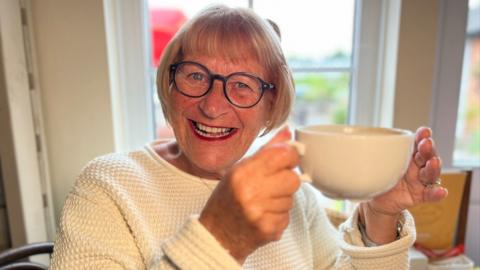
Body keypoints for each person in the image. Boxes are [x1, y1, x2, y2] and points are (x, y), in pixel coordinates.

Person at [50, 5, 447, 269]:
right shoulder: (106, 188)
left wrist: (381, 212)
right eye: (195, 76)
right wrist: (220, 238)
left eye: (242, 85)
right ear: (168, 86)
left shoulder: (294, 193)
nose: (212, 105)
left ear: (270, 109)